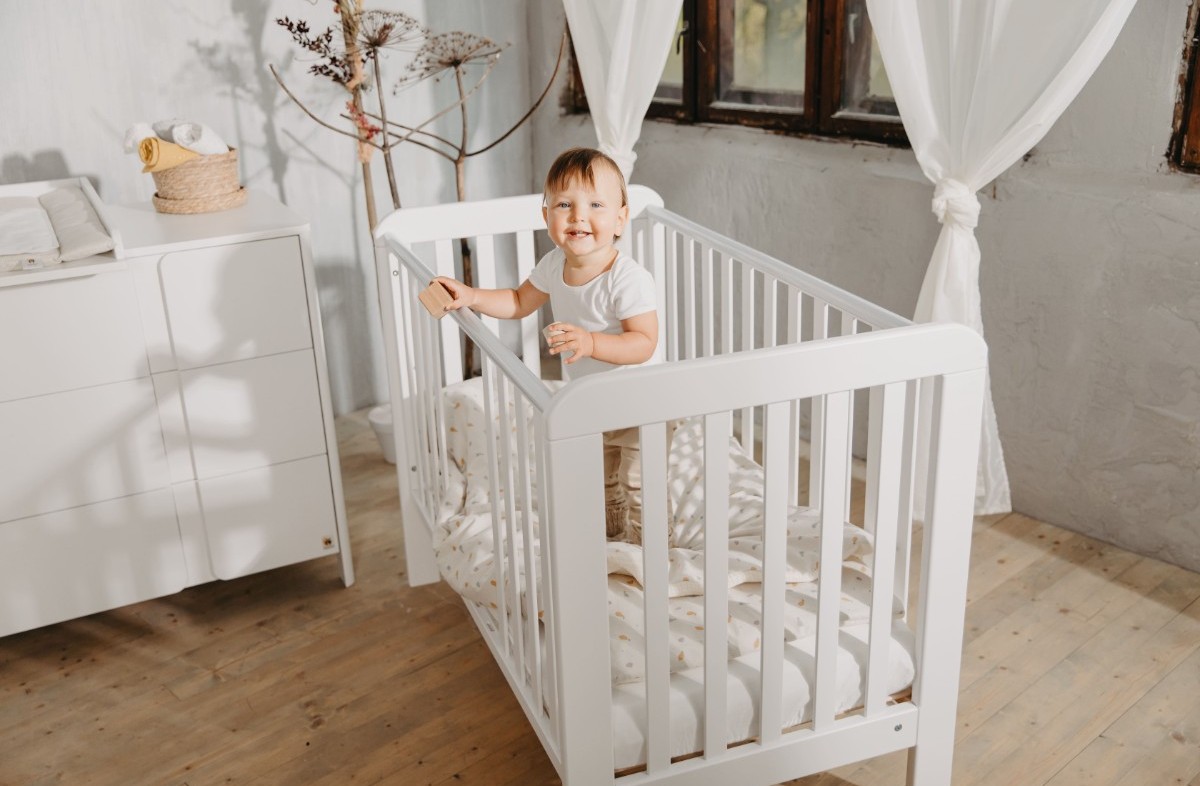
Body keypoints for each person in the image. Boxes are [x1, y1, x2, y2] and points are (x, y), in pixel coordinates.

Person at [436, 147, 666, 544]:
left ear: (620, 219)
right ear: (547, 217)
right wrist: (471, 295)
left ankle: (652, 548)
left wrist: (591, 341)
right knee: (601, 476)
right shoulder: (553, 265)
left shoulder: (626, 278)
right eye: (564, 204)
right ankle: (614, 539)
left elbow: (644, 343)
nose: (578, 216)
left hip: (641, 401)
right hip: (593, 401)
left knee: (638, 481)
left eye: (595, 203)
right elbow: (518, 301)